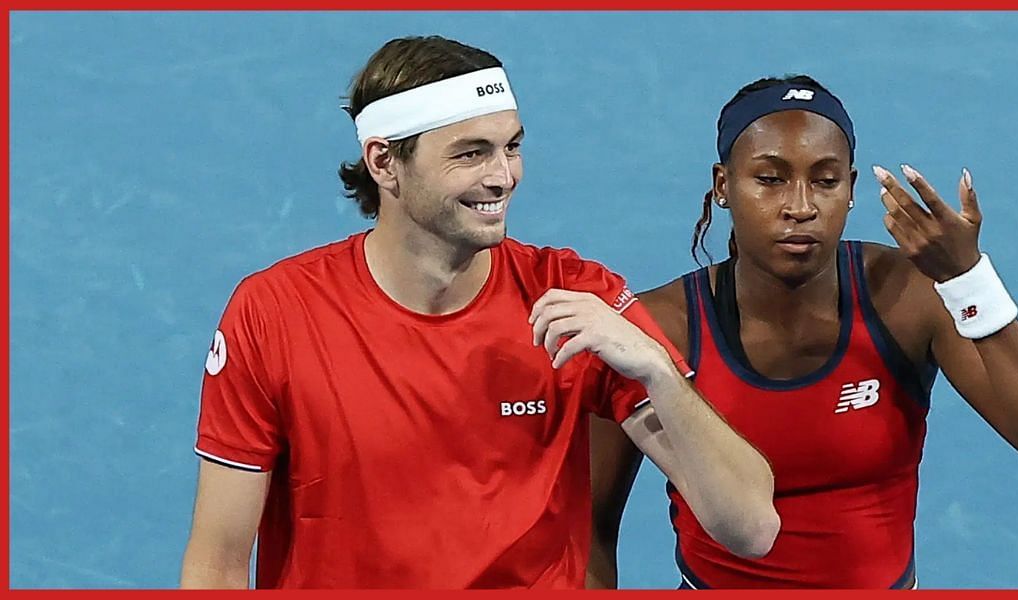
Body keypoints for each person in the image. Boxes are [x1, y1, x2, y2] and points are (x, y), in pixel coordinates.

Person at [179, 36, 779, 589]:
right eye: (470, 154)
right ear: (384, 162)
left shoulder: (573, 297)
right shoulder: (275, 313)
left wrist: (657, 369)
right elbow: (219, 562)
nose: (502, 177)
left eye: (511, 147)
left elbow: (750, 527)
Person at [587, 74, 1018, 589]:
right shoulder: (657, 330)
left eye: (825, 181)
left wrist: (968, 282)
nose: (800, 207)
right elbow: (587, 530)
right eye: (770, 179)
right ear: (723, 186)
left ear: (851, 190)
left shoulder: (907, 297)